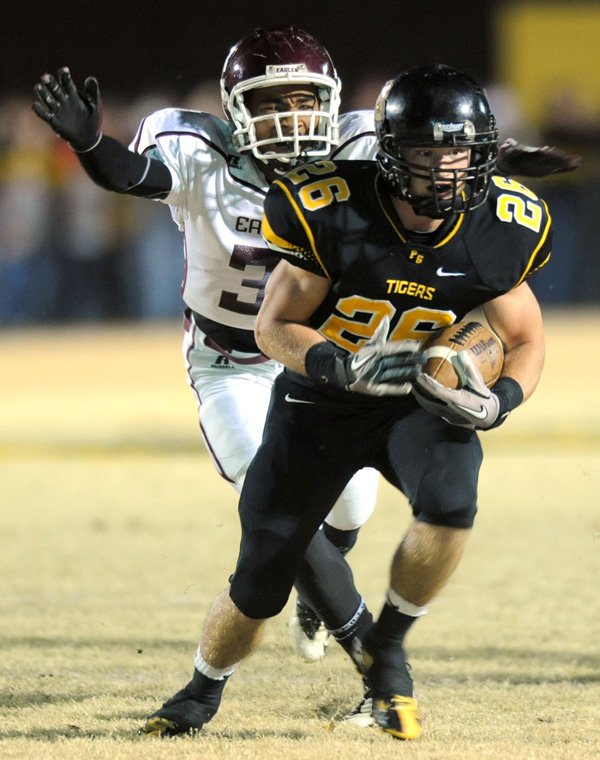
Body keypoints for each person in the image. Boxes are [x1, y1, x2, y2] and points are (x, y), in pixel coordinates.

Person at [32, 29, 572, 736]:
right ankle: (370, 656)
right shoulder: (199, 152)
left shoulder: (356, 149)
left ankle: (318, 599)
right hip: (238, 355)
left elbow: (430, 152)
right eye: (270, 102)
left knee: (348, 513)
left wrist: (495, 160)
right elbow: (137, 177)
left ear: (332, 103)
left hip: (344, 363)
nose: (290, 117)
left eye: (303, 100)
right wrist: (91, 147)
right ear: (234, 109)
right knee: (277, 512)